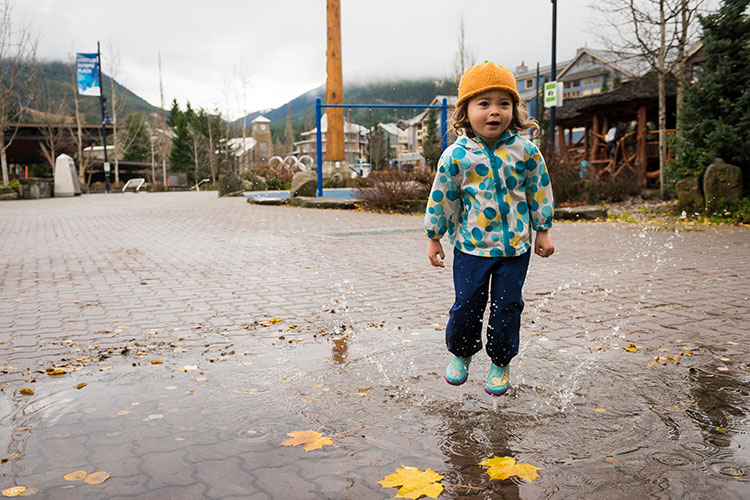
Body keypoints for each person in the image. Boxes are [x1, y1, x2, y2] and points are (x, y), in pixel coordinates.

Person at [425, 61, 555, 396]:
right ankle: (462, 354)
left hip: (514, 249)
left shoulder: (526, 152)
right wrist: (434, 237)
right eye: (484, 103)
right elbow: (443, 197)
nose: (494, 112)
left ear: (515, 108)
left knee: (507, 307)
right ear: (465, 111)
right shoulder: (456, 156)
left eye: (503, 103)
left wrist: (543, 229)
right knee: (467, 305)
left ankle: (500, 361)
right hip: (470, 249)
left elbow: (538, 190)